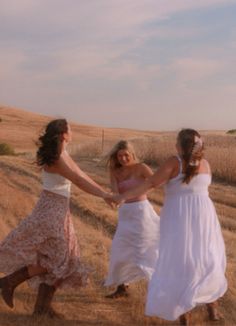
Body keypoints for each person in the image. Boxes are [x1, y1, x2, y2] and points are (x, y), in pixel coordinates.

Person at [110, 129, 227, 325]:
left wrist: (123, 196)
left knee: (179, 260)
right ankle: (212, 308)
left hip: (179, 217)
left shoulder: (174, 162)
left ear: (179, 145)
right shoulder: (205, 164)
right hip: (204, 217)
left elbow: (151, 183)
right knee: (206, 256)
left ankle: (184, 315)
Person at [0, 119, 110, 318]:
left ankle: (42, 309)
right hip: (51, 209)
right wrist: (104, 196)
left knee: (60, 258)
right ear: (63, 134)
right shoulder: (57, 159)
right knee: (57, 259)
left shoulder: (64, 154)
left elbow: (81, 174)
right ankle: (10, 281)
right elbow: (77, 180)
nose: (72, 130)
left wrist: (105, 193)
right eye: (70, 128)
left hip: (60, 209)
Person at [104, 140, 160, 298]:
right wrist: (112, 198)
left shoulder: (141, 167)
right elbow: (115, 192)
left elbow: (155, 182)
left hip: (142, 213)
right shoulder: (114, 171)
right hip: (125, 214)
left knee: (145, 250)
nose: (122, 159)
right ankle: (122, 287)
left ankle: (157, 287)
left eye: (125, 155)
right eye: (119, 156)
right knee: (120, 250)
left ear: (132, 154)